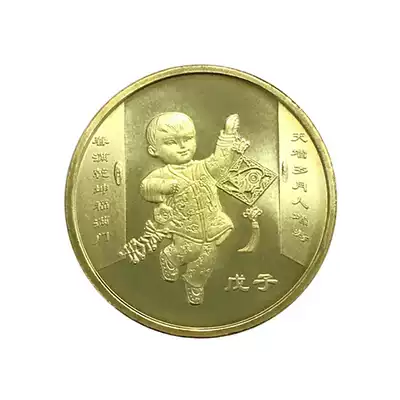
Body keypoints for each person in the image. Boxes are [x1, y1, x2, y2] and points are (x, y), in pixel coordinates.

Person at [140, 111, 247, 305]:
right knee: (190, 250)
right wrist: (163, 187)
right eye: (171, 142)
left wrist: (228, 135)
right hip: (184, 226)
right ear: (153, 150)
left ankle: (195, 284)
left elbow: (220, 161)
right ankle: (170, 257)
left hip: (210, 224)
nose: (182, 146)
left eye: (187, 139)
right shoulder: (162, 173)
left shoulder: (204, 167)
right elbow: (146, 187)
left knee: (207, 258)